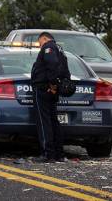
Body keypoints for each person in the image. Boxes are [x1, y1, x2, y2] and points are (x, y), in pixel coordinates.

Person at [31, 32, 65, 162]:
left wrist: (52, 84)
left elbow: (52, 64)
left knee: (44, 122)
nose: (40, 46)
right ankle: (58, 153)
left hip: (44, 89)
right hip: (50, 90)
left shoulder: (48, 47)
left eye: (39, 42)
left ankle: (47, 153)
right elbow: (63, 68)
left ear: (44, 39)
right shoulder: (60, 49)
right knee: (53, 121)